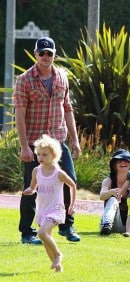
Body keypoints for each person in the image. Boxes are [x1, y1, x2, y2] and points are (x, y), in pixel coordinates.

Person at [13, 36, 81, 244]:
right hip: (35, 144)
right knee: (31, 187)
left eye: (49, 53)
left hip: (59, 143)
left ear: (54, 55)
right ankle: (27, 232)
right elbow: (19, 115)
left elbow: (67, 109)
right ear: (35, 55)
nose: (45, 56)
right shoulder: (24, 80)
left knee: (70, 180)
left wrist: (75, 141)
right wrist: (25, 146)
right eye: (41, 53)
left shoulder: (62, 77)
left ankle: (66, 226)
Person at [23, 135, 76, 272]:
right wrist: (30, 190)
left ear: (53, 155)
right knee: (47, 240)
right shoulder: (36, 171)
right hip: (42, 210)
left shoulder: (58, 173)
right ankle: (57, 266)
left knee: (41, 233)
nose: (40, 157)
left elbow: (73, 186)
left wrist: (71, 205)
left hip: (56, 210)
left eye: (45, 155)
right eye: (39, 154)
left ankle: (58, 255)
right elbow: (33, 187)